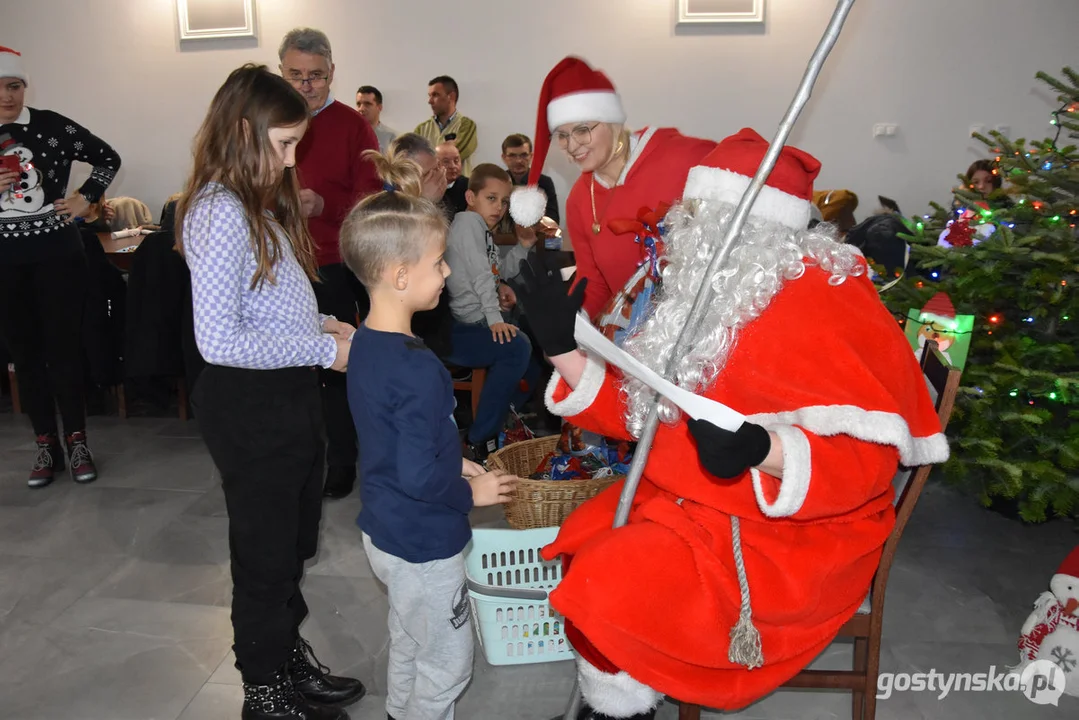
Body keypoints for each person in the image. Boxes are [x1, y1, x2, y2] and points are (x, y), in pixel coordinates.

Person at [513, 128, 948, 719]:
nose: (683, 230)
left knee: (613, 579)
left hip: (792, 535)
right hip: (696, 499)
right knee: (590, 539)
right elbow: (644, 412)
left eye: (700, 215)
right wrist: (563, 347)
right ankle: (627, 688)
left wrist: (761, 449)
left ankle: (620, 702)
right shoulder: (709, 297)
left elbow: (864, 467)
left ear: (752, 229)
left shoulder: (829, 302)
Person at [178, 64, 365, 720]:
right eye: (284, 145)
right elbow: (220, 340)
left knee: (291, 543)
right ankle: (263, 690)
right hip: (250, 406)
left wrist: (321, 324)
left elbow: (261, 310)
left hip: (285, 394)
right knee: (263, 552)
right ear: (241, 131)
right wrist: (323, 349)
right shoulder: (219, 211)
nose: (292, 162)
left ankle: (286, 660)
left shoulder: (253, 205)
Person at [339, 150, 517, 720]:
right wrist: (471, 493)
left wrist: (457, 462)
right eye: (439, 263)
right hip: (425, 543)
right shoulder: (419, 369)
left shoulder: (364, 343)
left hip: (385, 532)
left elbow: (400, 441)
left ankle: (399, 712)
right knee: (447, 661)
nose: (445, 273)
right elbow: (420, 473)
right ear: (400, 275)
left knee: (409, 636)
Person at [510, 56, 717, 320]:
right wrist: (573, 319)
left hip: (707, 324)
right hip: (639, 341)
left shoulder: (680, 157)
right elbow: (594, 282)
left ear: (611, 121)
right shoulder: (580, 200)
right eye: (562, 136)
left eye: (582, 130)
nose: (572, 146)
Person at [0, 45, 120, 488]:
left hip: (58, 257)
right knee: (25, 357)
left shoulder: (50, 125)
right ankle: (44, 445)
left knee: (64, 351)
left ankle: (77, 441)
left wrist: (85, 198)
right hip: (4, 265)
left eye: (14, 86)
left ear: (24, 87)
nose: (7, 96)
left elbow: (107, 158)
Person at [279, 27, 382, 499]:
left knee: (332, 366)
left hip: (332, 261)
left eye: (316, 76)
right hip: (277, 263)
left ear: (332, 74)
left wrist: (325, 205)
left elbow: (372, 198)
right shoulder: (267, 119)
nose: (306, 85)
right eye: (296, 75)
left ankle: (342, 460)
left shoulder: (352, 125)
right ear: (281, 73)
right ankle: (295, 455)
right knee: (285, 371)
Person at [443, 163, 538, 458]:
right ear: (471, 197)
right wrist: (497, 320)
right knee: (517, 347)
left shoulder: (483, 231)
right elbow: (483, 278)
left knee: (531, 360)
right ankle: (480, 438)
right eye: (491, 198)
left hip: (480, 321)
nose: (499, 207)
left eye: (505, 201)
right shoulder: (468, 223)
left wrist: (523, 245)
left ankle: (501, 420)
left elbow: (496, 274)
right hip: (463, 328)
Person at [414, 76, 478, 175]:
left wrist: (428, 155)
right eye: (429, 95)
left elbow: (457, 152)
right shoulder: (421, 129)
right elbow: (414, 159)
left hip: (459, 189)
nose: (430, 101)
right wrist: (448, 146)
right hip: (430, 188)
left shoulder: (466, 125)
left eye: (435, 95)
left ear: (451, 96)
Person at [502, 133, 559, 223]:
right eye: (512, 156)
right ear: (504, 158)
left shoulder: (544, 182)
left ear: (531, 156)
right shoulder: (498, 182)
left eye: (524, 155)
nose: (518, 160)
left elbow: (553, 220)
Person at [355, 85, 397, 153]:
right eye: (358, 104)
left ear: (379, 107)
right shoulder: (348, 135)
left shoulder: (391, 138)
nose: (361, 109)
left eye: (367, 104)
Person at [437, 142, 468, 218]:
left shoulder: (469, 186)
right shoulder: (428, 188)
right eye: (446, 161)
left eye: (456, 160)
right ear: (435, 164)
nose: (453, 166)